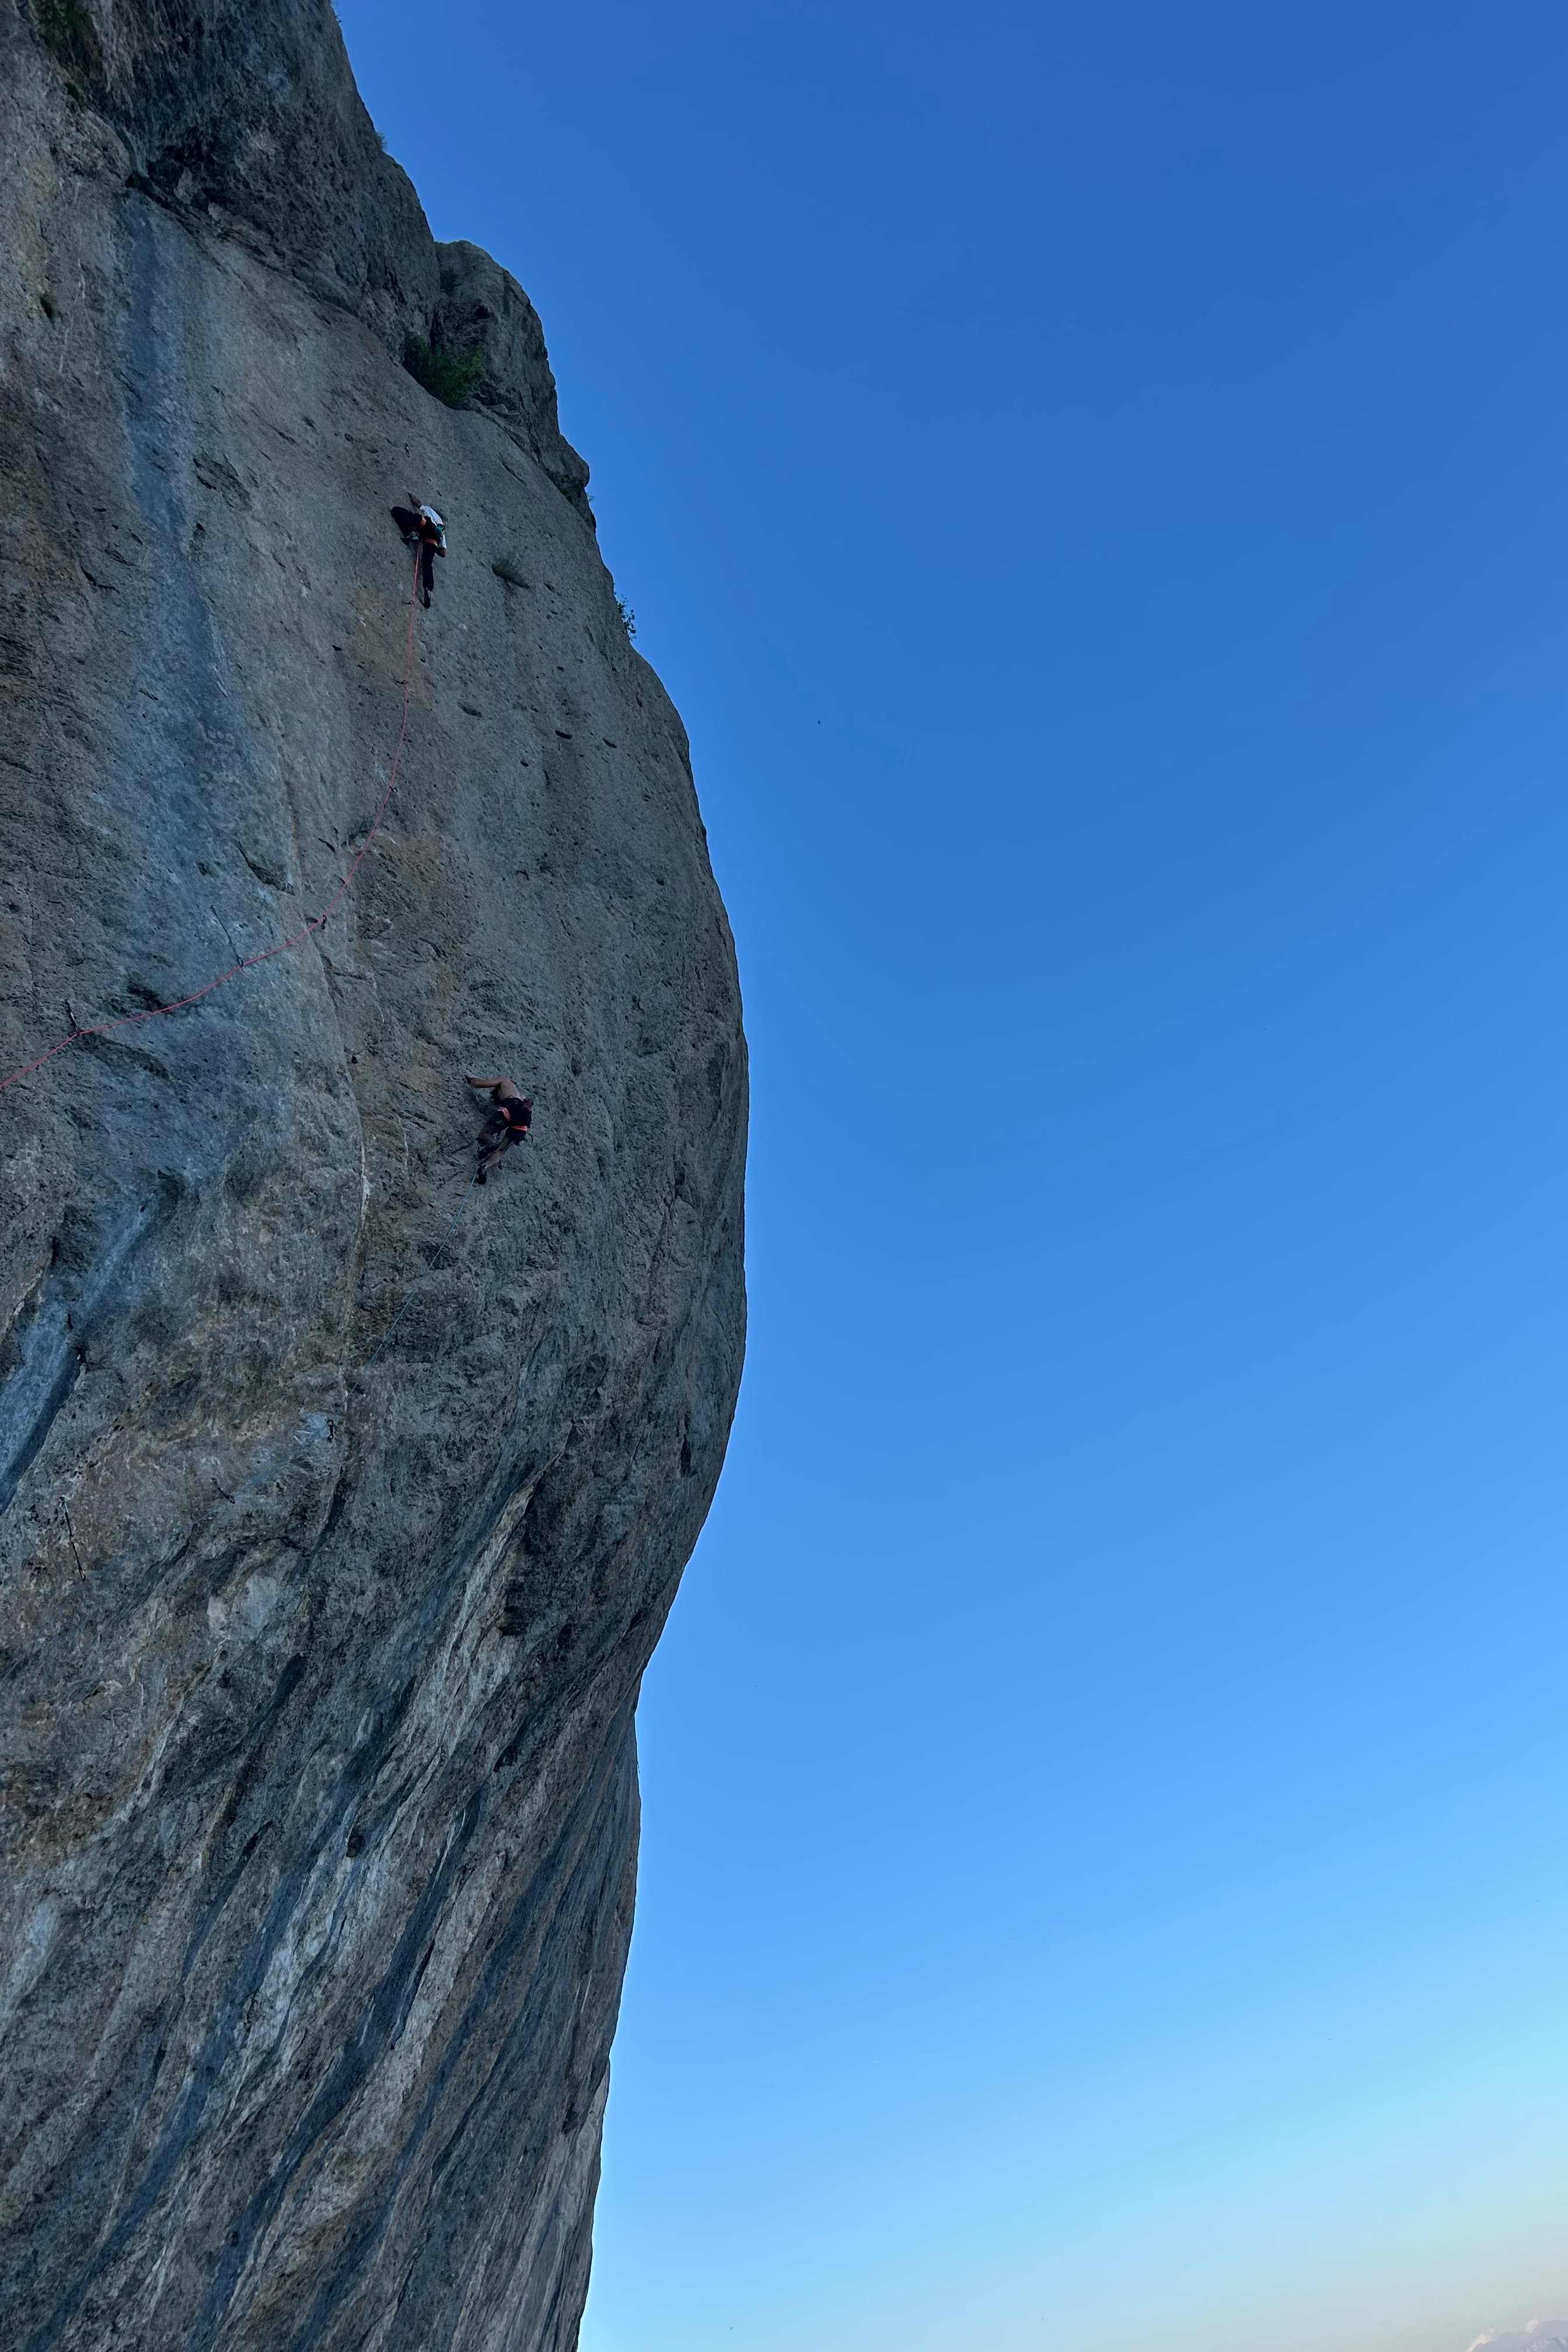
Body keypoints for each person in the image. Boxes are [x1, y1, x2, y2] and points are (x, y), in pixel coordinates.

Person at [466, 1073, 532, 1182]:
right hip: (524, 1120)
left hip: (511, 1108)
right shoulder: (523, 1095)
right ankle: (484, 1167)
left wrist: (471, 1080)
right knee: (501, 1152)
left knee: (484, 1135)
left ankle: (493, 1145)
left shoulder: (504, 1080)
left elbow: (479, 1084)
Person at [390, 496, 447, 607]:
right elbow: (443, 553)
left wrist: (410, 495)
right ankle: (429, 588)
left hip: (425, 523)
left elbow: (418, 503)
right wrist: (437, 550)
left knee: (400, 512)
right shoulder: (442, 529)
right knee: (427, 563)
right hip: (433, 539)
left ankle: (410, 532)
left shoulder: (430, 511)